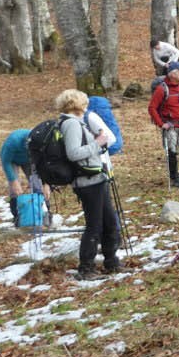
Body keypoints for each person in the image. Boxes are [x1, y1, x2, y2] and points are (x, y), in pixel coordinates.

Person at [54, 89, 123, 279]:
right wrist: (99, 142)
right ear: (76, 105)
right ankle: (86, 268)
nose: (87, 106)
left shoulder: (72, 123)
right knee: (95, 224)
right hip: (87, 180)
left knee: (108, 221)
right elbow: (74, 153)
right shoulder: (71, 124)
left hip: (94, 177)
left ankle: (111, 261)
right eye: (84, 103)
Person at [0, 128, 49, 225]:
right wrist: (13, 181)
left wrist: (46, 183)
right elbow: (6, 162)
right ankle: (17, 217)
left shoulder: (39, 143)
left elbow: (42, 163)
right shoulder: (13, 141)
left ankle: (44, 213)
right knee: (15, 190)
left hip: (29, 161)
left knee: (38, 186)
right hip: (12, 160)